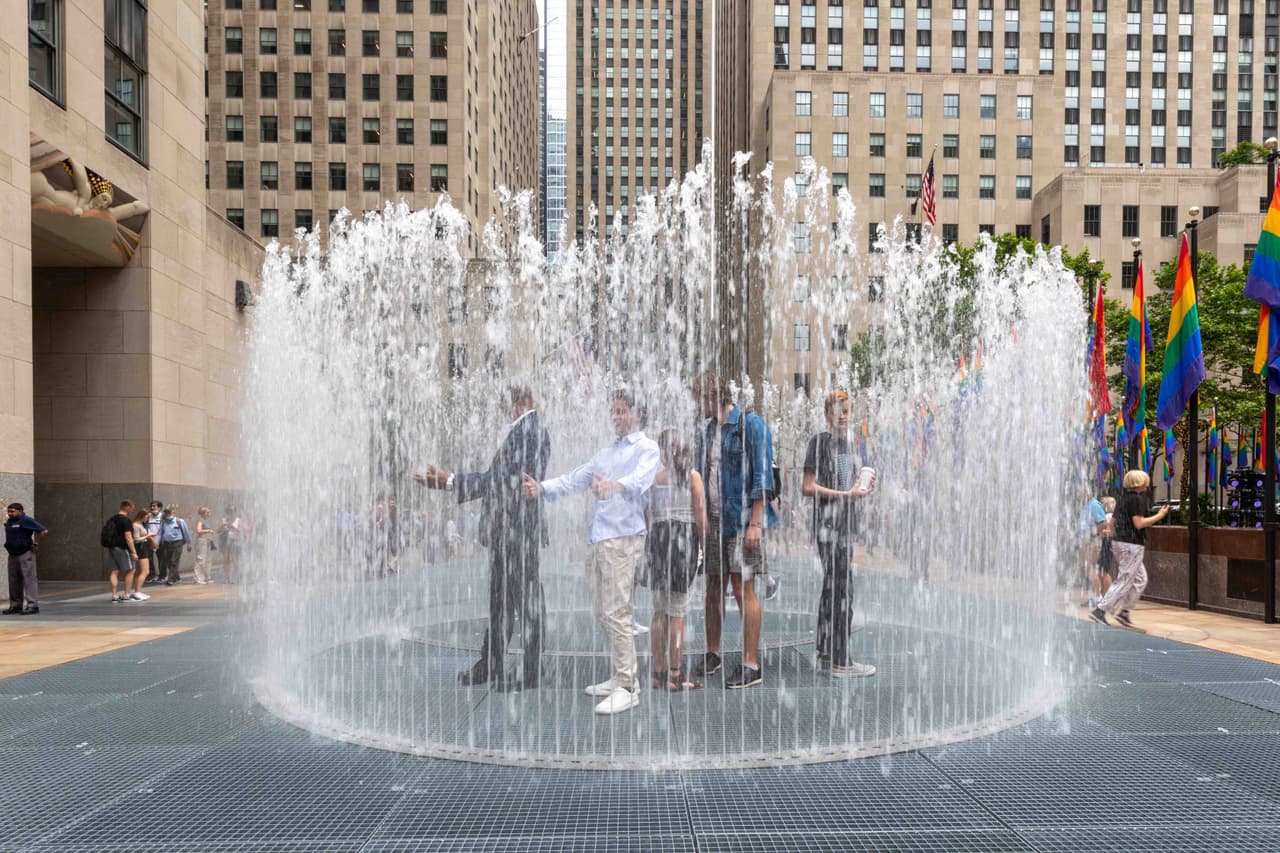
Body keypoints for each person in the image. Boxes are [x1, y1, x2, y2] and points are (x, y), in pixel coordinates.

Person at [522, 389, 661, 715]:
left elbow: (640, 480)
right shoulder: (604, 454)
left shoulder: (647, 448)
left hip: (623, 539)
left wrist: (614, 486)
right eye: (613, 411)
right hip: (599, 539)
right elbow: (574, 480)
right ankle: (620, 675)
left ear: (636, 414)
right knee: (603, 611)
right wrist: (541, 488)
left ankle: (629, 685)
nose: (615, 417)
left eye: (621, 411)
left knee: (618, 612)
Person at [416, 384, 551, 691]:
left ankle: (532, 669)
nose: (503, 408)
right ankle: (492, 662)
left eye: (505, 402)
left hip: (518, 531)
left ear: (519, 401)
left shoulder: (532, 430)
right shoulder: (522, 431)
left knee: (526, 601)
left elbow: (506, 481)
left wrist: (451, 481)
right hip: (507, 532)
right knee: (500, 602)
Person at [690, 371, 778, 689]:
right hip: (715, 521)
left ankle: (751, 663)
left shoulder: (750, 425)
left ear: (714, 396)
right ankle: (713, 653)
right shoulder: (706, 431)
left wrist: (755, 523)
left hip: (741, 521)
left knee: (743, 588)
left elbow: (763, 477)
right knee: (714, 586)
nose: (696, 405)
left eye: (699, 399)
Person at [802, 390, 878, 677]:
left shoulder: (851, 445)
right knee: (843, 590)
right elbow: (807, 486)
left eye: (846, 411)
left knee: (832, 587)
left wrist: (862, 488)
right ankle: (841, 660)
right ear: (827, 414)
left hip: (845, 525)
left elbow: (850, 485)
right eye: (836, 411)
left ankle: (825, 651)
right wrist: (844, 494)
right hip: (827, 526)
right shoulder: (819, 443)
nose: (842, 416)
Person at [645, 429, 707, 692]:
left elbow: (648, 514)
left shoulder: (655, 479)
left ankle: (657, 672)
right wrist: (704, 546)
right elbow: (700, 515)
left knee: (659, 610)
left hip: (658, 540)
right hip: (682, 540)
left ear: (663, 453)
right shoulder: (692, 477)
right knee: (678, 611)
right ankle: (675, 674)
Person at [1091, 470, 1168, 629]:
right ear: (1140, 482)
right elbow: (1139, 524)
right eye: (1145, 480)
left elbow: (1112, 522)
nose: (1147, 483)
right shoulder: (1137, 500)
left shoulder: (1123, 498)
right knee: (1125, 579)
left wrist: (1111, 533)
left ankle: (1124, 612)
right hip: (1131, 545)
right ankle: (1100, 610)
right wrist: (1160, 515)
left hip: (1120, 543)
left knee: (1140, 579)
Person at [4, 503, 48, 615]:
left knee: (29, 580)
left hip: (25, 553)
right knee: (14, 581)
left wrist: (36, 543)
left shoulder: (26, 520)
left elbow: (44, 531)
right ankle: (15, 605)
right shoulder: (10, 521)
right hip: (12, 554)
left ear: (20, 511)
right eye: (8, 511)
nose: (10, 513)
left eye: (12, 511)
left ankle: (32, 606)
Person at [104, 500, 138, 603]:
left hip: (112, 547)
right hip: (122, 548)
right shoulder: (126, 520)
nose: (133, 510)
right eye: (132, 508)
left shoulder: (112, 518)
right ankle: (127, 595)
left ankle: (114, 595)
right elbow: (128, 537)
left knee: (114, 571)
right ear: (127, 507)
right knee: (131, 570)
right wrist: (133, 551)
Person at [1080, 494, 1111, 608]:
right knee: (1087, 568)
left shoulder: (1094, 505)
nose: (1079, 493)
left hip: (1092, 541)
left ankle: (1098, 597)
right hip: (1087, 541)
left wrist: (1091, 534)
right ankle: (1096, 596)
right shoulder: (1087, 505)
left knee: (1091, 568)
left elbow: (1103, 523)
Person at [157, 505, 192, 585]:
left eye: (169, 512)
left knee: (174, 561)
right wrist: (156, 543)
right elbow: (159, 533)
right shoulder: (163, 522)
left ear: (173, 512)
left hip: (177, 543)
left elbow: (186, 533)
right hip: (166, 544)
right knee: (168, 562)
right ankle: (176, 577)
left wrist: (189, 544)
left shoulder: (180, 521)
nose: (167, 514)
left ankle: (171, 579)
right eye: (166, 512)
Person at [127, 509, 155, 601]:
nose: (148, 518)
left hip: (143, 547)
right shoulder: (135, 525)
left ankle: (137, 591)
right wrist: (148, 536)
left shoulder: (141, 524)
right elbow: (136, 539)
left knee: (139, 571)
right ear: (142, 515)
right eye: (147, 516)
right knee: (145, 571)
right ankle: (137, 592)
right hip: (140, 548)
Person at [217, 506, 242, 583]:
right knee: (226, 560)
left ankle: (236, 577)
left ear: (235, 512)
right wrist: (223, 526)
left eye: (232, 511)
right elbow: (218, 531)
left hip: (235, 541)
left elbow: (241, 530)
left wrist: (232, 526)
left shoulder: (238, 520)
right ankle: (227, 578)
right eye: (229, 511)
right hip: (225, 541)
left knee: (235, 560)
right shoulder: (224, 520)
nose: (230, 513)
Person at [193, 507, 215, 584]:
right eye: (207, 512)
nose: (209, 514)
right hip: (202, 541)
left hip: (207, 541)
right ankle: (198, 578)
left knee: (208, 560)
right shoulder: (200, 521)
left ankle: (206, 577)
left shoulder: (206, 521)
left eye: (209, 512)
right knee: (201, 559)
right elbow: (198, 530)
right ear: (203, 513)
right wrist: (208, 530)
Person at [144, 501, 164, 584]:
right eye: (151, 506)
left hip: (160, 541)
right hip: (149, 540)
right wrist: (150, 538)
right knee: (149, 559)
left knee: (161, 559)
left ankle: (162, 576)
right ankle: (151, 575)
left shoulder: (163, 516)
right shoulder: (148, 516)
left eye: (154, 506)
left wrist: (157, 541)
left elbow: (163, 530)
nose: (152, 508)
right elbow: (146, 527)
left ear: (159, 508)